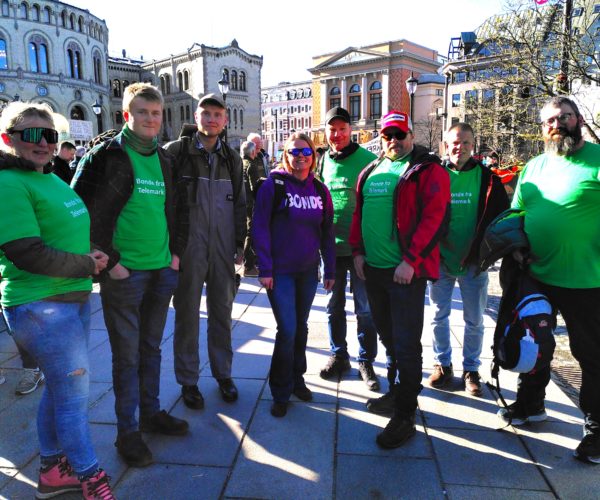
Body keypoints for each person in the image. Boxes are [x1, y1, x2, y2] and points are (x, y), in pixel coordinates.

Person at [0, 101, 115, 499]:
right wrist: (86, 263)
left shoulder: (49, 179)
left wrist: (95, 255)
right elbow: (27, 251)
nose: (44, 143)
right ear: (7, 139)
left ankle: (52, 472)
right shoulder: (8, 183)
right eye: (32, 134)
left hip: (70, 299)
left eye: (50, 135)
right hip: (39, 305)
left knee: (58, 390)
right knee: (74, 396)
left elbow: (64, 234)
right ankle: (91, 478)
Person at [72, 83, 189, 468]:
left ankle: (152, 414)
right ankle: (128, 434)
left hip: (161, 270)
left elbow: (178, 210)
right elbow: (79, 206)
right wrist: (110, 260)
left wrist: (175, 256)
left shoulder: (165, 158)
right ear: (128, 115)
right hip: (124, 273)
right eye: (143, 113)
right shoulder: (106, 154)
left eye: (156, 113)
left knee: (151, 350)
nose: (151, 119)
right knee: (126, 357)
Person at [499, 96, 600, 465]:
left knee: (591, 355)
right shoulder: (535, 166)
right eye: (549, 121)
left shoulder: (597, 159)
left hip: (588, 279)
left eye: (565, 117)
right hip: (538, 274)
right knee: (533, 341)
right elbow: (517, 214)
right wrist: (517, 249)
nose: (557, 125)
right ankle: (530, 404)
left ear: (578, 119)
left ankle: (596, 431)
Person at [350, 110, 450, 448]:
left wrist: (411, 260)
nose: (393, 141)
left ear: (411, 135)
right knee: (389, 338)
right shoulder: (371, 169)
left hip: (404, 273)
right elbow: (359, 213)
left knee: (406, 345)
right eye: (387, 135)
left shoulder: (426, 169)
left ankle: (406, 415)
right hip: (374, 270)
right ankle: (397, 393)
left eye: (399, 134)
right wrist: (358, 251)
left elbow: (436, 218)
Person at [165, 94, 246, 410]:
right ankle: (188, 381)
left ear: (224, 120)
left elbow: (241, 204)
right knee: (186, 315)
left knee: (222, 314)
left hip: (223, 249)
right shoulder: (176, 153)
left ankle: (223, 374)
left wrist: (240, 245)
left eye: (217, 114)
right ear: (196, 117)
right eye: (206, 113)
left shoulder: (232, 158)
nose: (212, 119)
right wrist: (172, 248)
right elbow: (165, 205)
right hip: (188, 249)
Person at [252, 132, 335, 418]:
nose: (300, 157)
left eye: (305, 152)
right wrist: (265, 268)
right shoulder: (273, 185)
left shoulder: (320, 190)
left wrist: (330, 268)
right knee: (286, 329)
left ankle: (297, 378)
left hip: (307, 272)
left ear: (313, 156)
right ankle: (280, 389)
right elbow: (260, 226)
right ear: (285, 154)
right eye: (294, 152)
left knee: (300, 326)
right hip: (281, 273)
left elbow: (326, 232)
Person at [428, 123, 509, 396]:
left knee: (474, 319)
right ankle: (442, 364)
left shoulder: (488, 179)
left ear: (473, 146)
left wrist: (488, 253)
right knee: (439, 316)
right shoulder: (435, 175)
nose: (459, 148)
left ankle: (471, 369)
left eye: (465, 143)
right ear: (445, 144)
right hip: (441, 259)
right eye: (454, 142)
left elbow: (500, 218)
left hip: (474, 262)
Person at [317, 107, 380, 390]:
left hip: (360, 250)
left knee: (365, 309)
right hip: (331, 249)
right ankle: (338, 355)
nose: (337, 134)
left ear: (351, 130)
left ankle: (366, 360)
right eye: (332, 129)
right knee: (334, 307)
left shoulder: (368, 160)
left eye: (342, 129)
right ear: (326, 131)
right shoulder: (322, 161)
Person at [242, 134, 268, 277]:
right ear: (252, 152)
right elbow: (255, 187)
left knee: (248, 231)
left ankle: (249, 262)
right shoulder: (251, 165)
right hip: (252, 203)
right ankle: (249, 265)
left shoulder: (241, 163)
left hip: (243, 202)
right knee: (251, 233)